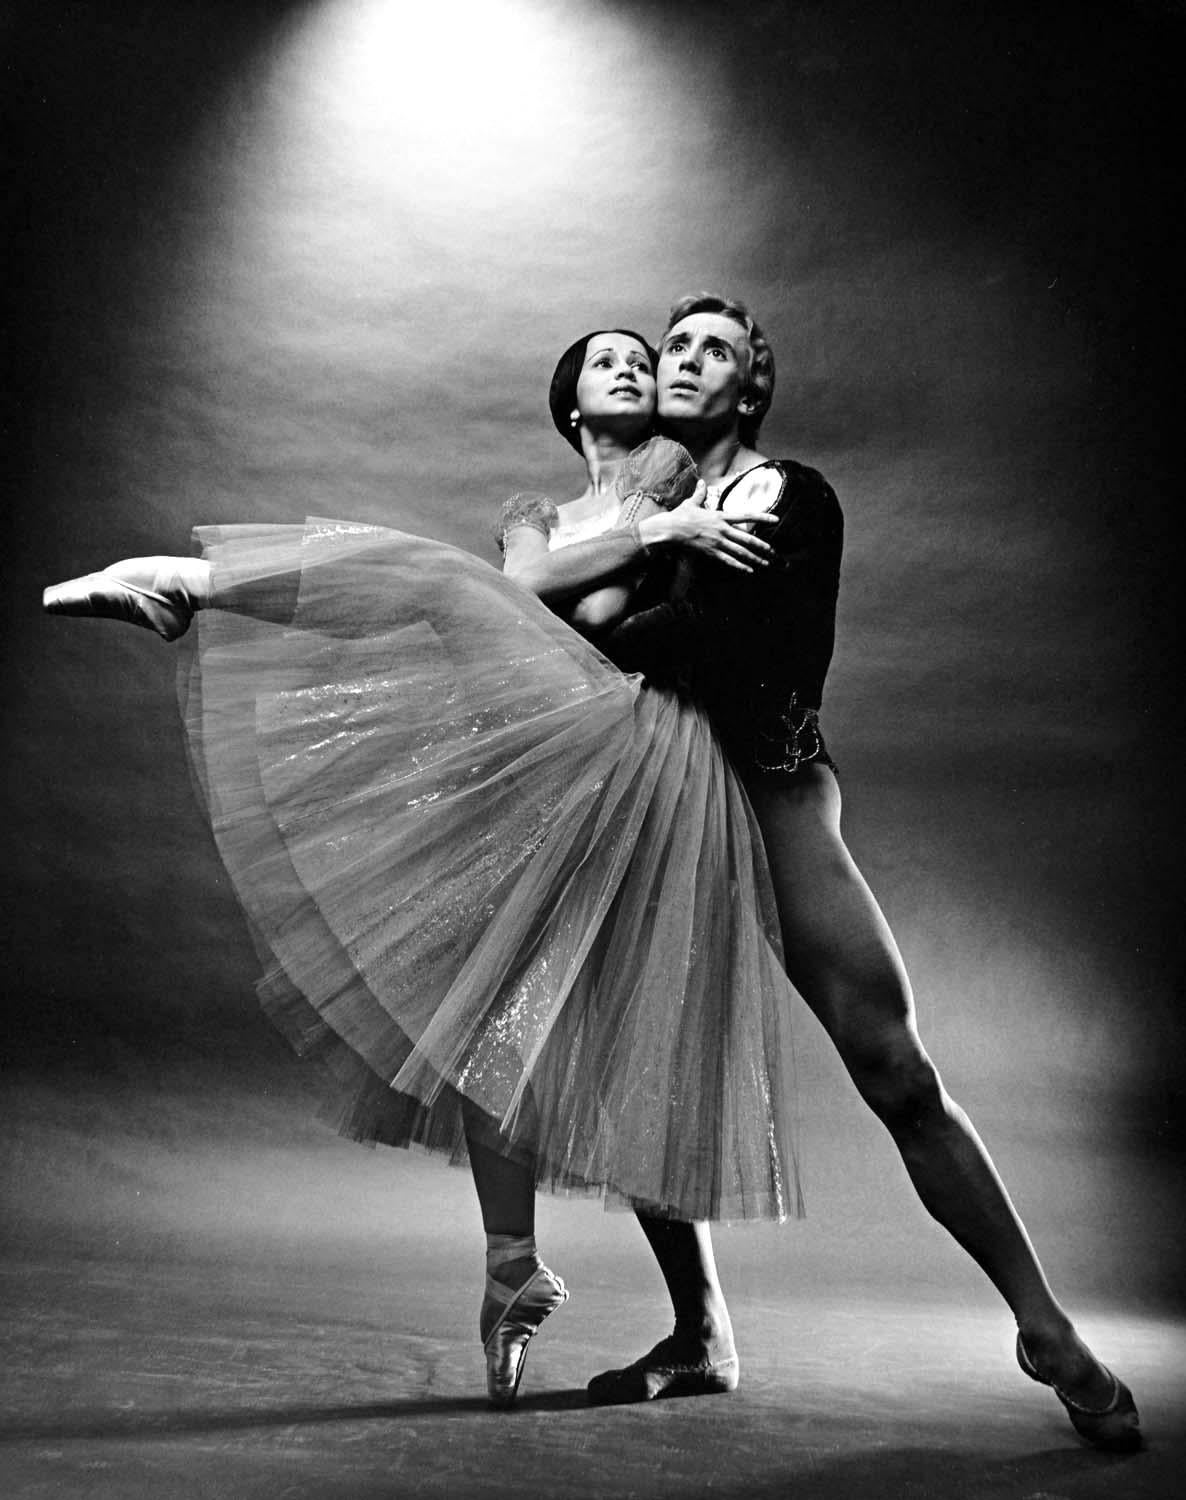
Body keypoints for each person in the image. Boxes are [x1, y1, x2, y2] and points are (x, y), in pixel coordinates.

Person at [41, 326, 791, 1410]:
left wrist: (664, 518)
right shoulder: (537, 517)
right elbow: (529, 580)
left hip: (636, 747)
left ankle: (186, 583)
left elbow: (653, 591)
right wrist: (649, 535)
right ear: (570, 410)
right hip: (544, 765)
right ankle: (512, 1273)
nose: (631, 368)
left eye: (645, 359)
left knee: (438, 582)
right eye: (605, 363)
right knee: (493, 1030)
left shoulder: (672, 475)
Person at [583, 293, 1141, 1451]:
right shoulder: (648, 511)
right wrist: (641, 552)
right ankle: (699, 1332)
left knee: (894, 1067)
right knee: (635, 1073)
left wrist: (622, 606)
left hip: (774, 800)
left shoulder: (788, 496)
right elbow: (590, 642)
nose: (685, 362)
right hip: (660, 811)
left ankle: (1043, 1324)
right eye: (673, 346)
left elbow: (736, 652)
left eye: (714, 352)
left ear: (750, 389)